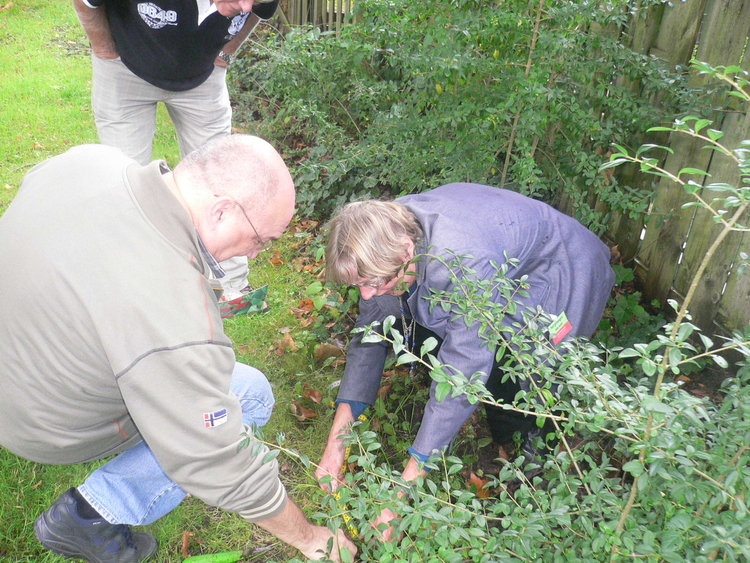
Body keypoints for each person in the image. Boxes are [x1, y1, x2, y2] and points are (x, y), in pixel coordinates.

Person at [0, 135, 356, 563]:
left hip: (18, 352)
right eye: (261, 240)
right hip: (38, 423)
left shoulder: (89, 161)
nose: (255, 254)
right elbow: (216, 459)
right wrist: (310, 538)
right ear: (222, 210)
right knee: (251, 395)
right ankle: (89, 514)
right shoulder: (175, 313)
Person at [315, 183, 615, 538]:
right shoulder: (380, 239)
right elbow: (370, 335)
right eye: (359, 285)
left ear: (407, 250)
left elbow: (462, 374)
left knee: (523, 365)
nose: (366, 294)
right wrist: (337, 444)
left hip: (562, 269)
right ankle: (506, 433)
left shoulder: (462, 262)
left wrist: (404, 489)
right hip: (500, 257)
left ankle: (537, 450)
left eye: (373, 282)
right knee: (442, 331)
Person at [71, 0, 279, 306]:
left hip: (202, 80)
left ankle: (231, 286)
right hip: (125, 70)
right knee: (125, 185)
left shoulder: (251, 2)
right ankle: (132, 289)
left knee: (222, 180)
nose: (246, 6)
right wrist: (104, 49)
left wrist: (224, 55)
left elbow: (260, 11)